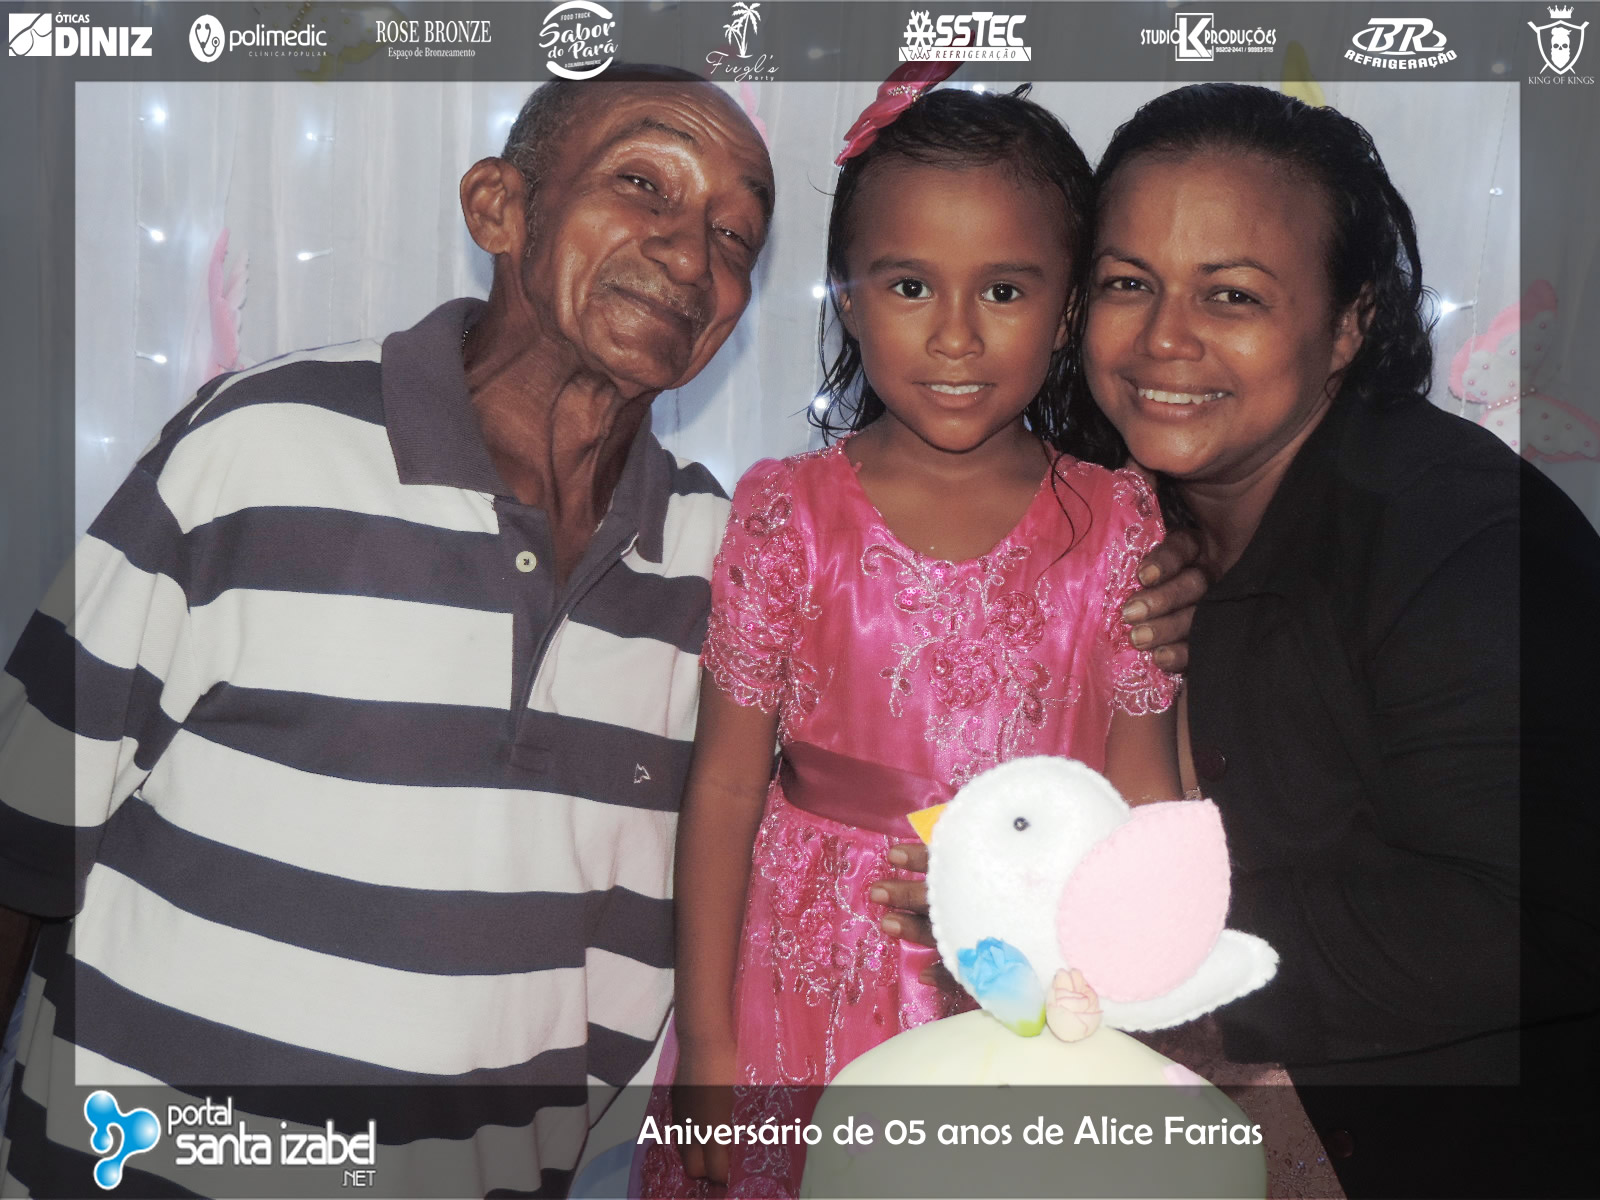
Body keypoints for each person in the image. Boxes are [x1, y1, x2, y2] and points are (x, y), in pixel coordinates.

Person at [0, 74, 1201, 1196]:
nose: (687, 253)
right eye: (641, 184)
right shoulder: (260, 445)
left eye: (733, 236)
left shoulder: (708, 548)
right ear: (498, 206)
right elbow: (23, 825)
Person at [642, 79, 1183, 1199]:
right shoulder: (786, 510)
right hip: (799, 980)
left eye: (1004, 290)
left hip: (1027, 985)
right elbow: (728, 785)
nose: (954, 333)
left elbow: (1143, 800)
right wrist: (710, 1042)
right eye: (909, 285)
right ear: (847, 300)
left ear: (1067, 312)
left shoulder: (1120, 523)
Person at [1075, 82, 1600, 1196]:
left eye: (1231, 294)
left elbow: (1539, 912)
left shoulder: (1461, 537)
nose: (1163, 336)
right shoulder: (1112, 523)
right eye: (1127, 282)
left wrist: (1138, 944)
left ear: (1349, 325)